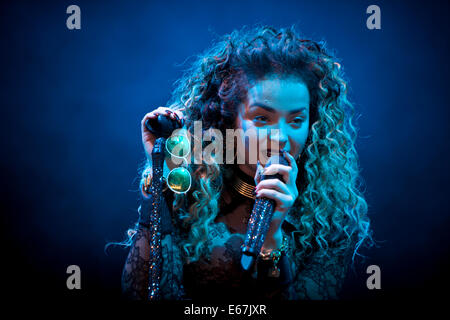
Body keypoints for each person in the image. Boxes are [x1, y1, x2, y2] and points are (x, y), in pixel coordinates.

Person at [120, 25, 373, 300]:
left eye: (296, 120)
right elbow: (142, 294)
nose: (280, 137)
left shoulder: (330, 218)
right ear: (231, 119)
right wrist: (160, 176)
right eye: (262, 118)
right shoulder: (189, 192)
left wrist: (272, 239)